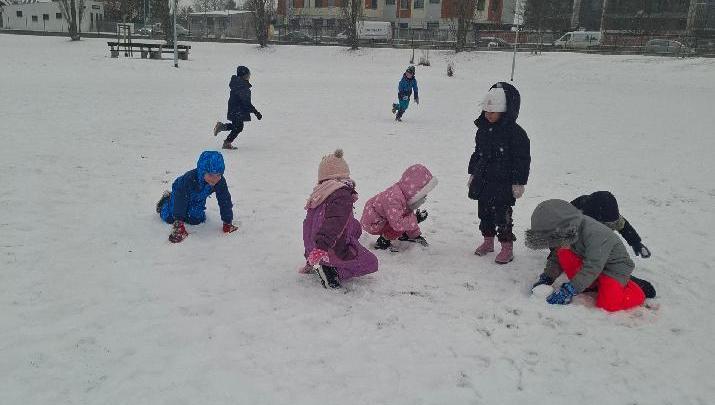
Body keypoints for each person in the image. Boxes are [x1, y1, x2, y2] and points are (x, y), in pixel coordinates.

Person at [526, 199, 655, 312]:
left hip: (613, 269)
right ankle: (592, 284)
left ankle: (637, 289)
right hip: (589, 261)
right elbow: (556, 257)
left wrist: (571, 289)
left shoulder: (596, 234)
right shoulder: (568, 232)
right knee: (562, 252)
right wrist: (547, 277)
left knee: (608, 305)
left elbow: (592, 267)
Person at [469, 82, 531, 264]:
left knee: (502, 215)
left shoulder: (516, 134)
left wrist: (518, 182)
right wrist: (473, 172)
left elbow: (522, 159)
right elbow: (478, 152)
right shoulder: (483, 130)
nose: (488, 115)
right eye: (486, 111)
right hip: (484, 179)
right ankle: (488, 241)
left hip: (503, 181)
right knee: (484, 212)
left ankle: (506, 247)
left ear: (504, 111)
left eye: (492, 112)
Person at [302, 149, 378, 288]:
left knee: (355, 227)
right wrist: (321, 248)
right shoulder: (341, 194)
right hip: (325, 248)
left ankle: (321, 262)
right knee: (370, 262)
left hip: (312, 246)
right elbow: (335, 221)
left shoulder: (320, 192)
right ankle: (330, 270)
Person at [155, 151, 237, 243]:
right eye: (211, 175)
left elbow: (224, 200)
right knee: (170, 217)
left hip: (199, 197)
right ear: (202, 172)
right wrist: (178, 223)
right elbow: (180, 201)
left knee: (196, 219)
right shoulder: (188, 180)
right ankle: (165, 201)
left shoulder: (220, 181)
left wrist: (227, 221)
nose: (215, 179)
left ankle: (188, 213)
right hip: (180, 194)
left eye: (218, 175)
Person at [360, 164, 437, 251]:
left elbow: (408, 215)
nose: (424, 198)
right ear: (415, 192)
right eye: (423, 195)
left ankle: (405, 235)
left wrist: (414, 235)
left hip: (383, 219)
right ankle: (383, 241)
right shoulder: (395, 200)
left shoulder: (405, 196)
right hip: (373, 223)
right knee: (400, 225)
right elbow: (398, 224)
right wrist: (415, 219)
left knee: (405, 220)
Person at [570, 191, 651, 258]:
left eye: (611, 223)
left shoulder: (611, 215)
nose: (611, 224)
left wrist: (636, 242)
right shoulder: (576, 211)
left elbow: (624, 227)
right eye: (607, 223)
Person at [213, 65, 262, 150]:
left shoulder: (237, 84)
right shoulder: (242, 87)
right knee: (238, 127)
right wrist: (256, 112)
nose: (249, 76)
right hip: (238, 110)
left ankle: (222, 127)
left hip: (234, 109)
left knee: (237, 126)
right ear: (244, 76)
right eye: (248, 75)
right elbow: (246, 103)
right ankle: (227, 142)